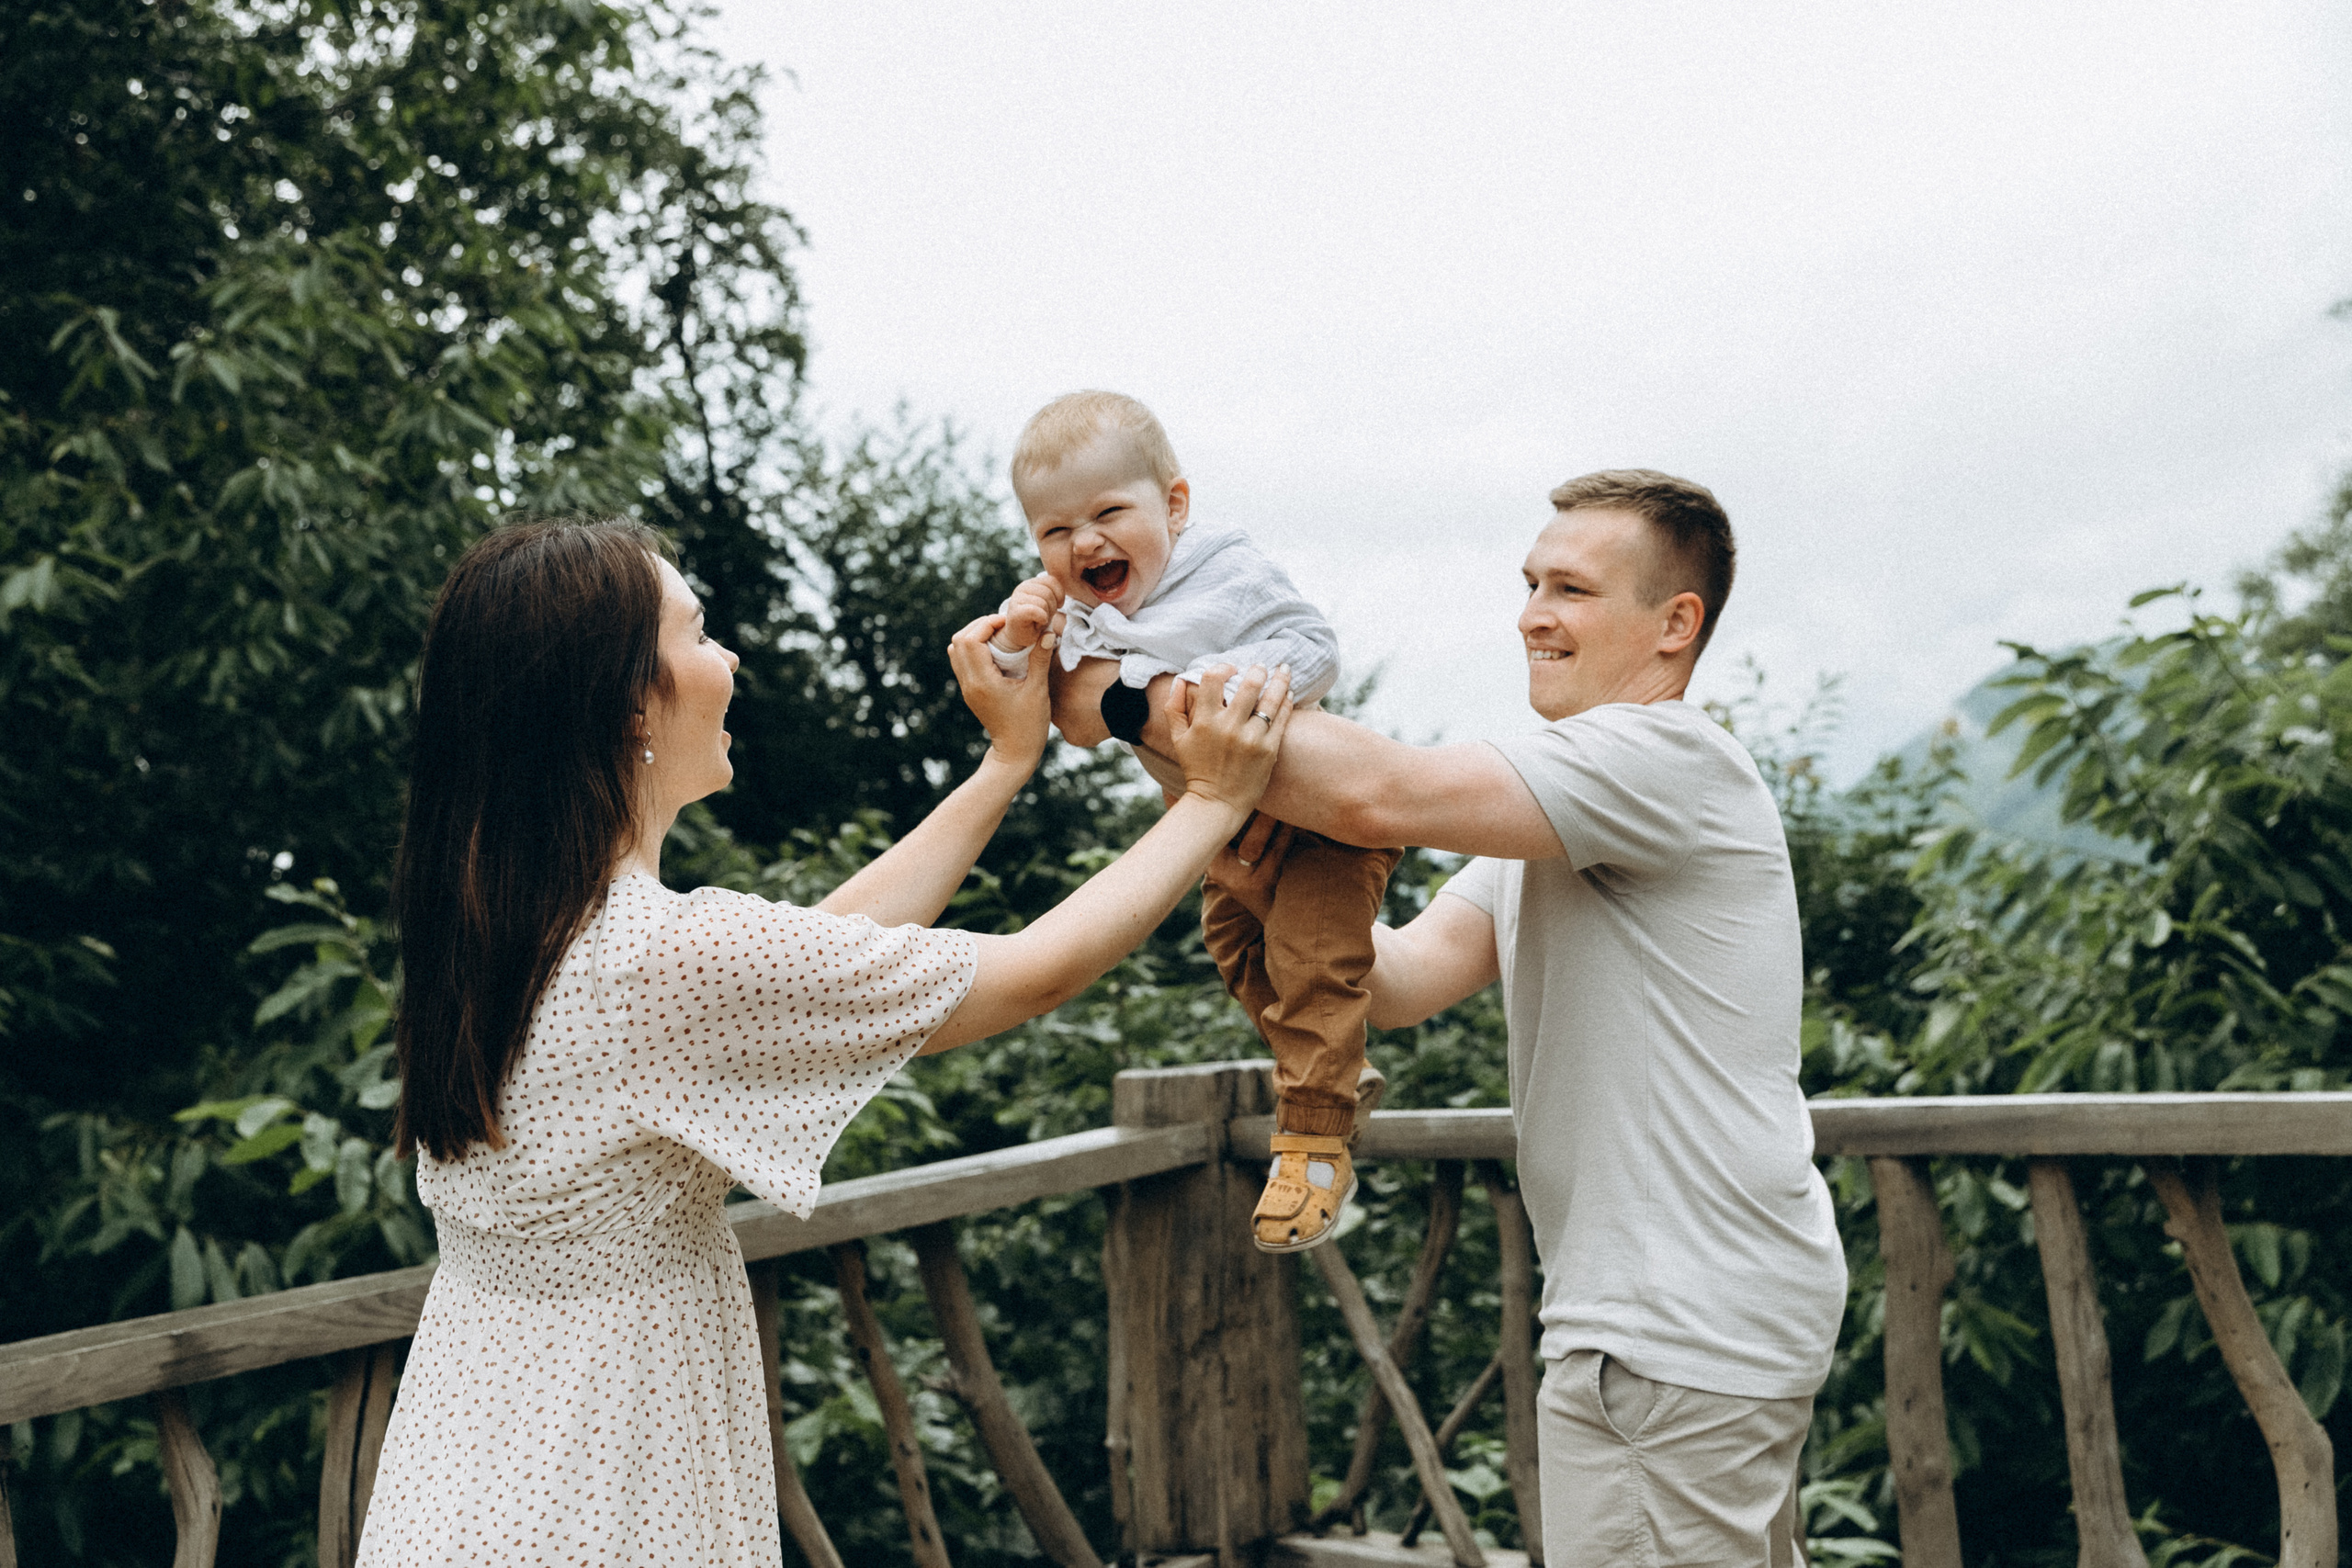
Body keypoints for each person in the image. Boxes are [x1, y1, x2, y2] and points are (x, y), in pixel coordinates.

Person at [356, 515, 1293, 1567]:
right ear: (629, 701)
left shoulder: (510, 927)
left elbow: (819, 956)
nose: (730, 658)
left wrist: (1004, 763)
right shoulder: (654, 956)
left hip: (468, 1480)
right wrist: (1215, 795)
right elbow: (1039, 971)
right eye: (701, 633)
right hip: (600, 1491)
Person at [1061, 470, 1846, 1566]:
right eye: (1530, 582)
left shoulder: (1661, 760)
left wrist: (1113, 687)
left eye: (1569, 588)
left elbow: (1373, 792)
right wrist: (1239, 852)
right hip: (1695, 1307)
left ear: (1675, 625)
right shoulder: (1577, 810)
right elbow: (1395, 981)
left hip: (1669, 1319)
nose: (1530, 612)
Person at [989, 389, 1398, 1253]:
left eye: (1109, 513)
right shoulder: (1091, 612)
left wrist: (1215, 683)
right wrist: (1020, 640)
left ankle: (1316, 1132)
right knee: (1236, 945)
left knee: (1314, 966)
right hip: (1228, 826)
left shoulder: (1224, 572)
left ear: (1173, 505)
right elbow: (1068, 710)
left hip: (1320, 826)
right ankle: (1338, 1068)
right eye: (1056, 531)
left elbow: (1314, 645)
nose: (1085, 543)